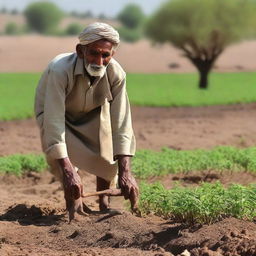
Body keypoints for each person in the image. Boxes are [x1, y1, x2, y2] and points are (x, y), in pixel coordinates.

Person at [34, 22, 139, 221]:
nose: (99, 61)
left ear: (112, 55)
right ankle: (75, 208)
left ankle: (104, 204)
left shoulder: (116, 74)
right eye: (94, 53)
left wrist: (126, 172)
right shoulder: (60, 70)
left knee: (107, 152)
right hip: (56, 113)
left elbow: (122, 121)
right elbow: (54, 121)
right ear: (81, 51)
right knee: (67, 166)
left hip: (94, 110)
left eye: (105, 55)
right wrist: (68, 171)